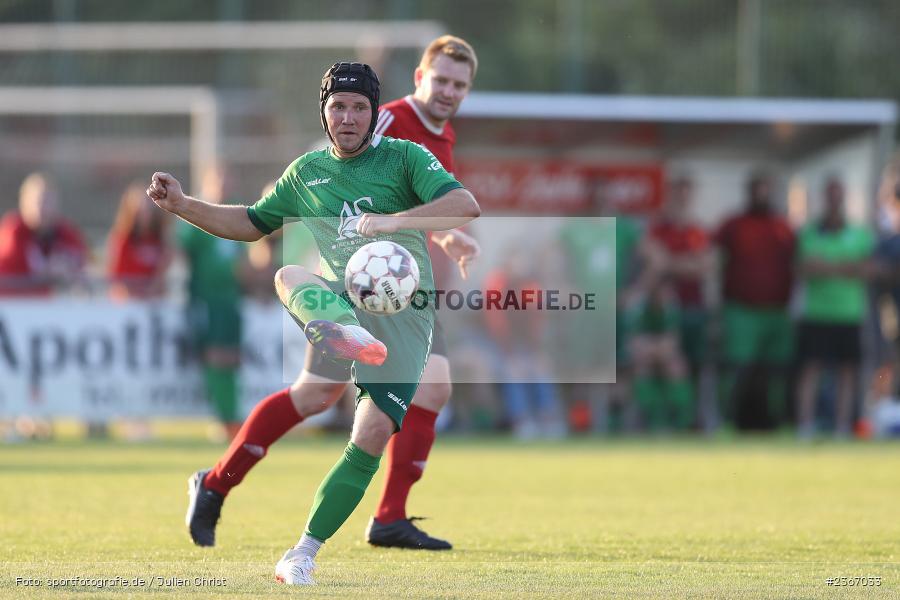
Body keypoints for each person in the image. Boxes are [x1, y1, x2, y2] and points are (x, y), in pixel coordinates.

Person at [147, 62, 480, 585]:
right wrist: (183, 204)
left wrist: (397, 222)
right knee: (289, 272)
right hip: (339, 308)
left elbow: (465, 203)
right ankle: (342, 333)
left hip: (403, 319)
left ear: (374, 114)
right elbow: (249, 223)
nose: (348, 117)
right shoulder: (306, 172)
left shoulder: (405, 156)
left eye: (359, 107)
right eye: (338, 106)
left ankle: (300, 553)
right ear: (324, 112)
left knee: (366, 430)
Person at [366, 34, 480, 549]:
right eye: (441, 80)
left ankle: (390, 516)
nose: (449, 91)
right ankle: (215, 482)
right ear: (419, 77)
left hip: (401, 281)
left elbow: (420, 206)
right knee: (314, 396)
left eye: (460, 84)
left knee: (433, 387)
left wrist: (446, 234)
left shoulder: (445, 137)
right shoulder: (389, 120)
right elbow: (350, 181)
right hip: (364, 274)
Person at [795, 177, 874, 437]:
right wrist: (844, 266)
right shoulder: (810, 232)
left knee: (847, 372)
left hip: (848, 314)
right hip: (817, 314)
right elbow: (806, 268)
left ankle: (842, 427)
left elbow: (865, 268)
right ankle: (805, 426)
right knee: (810, 370)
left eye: (838, 195)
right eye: (830, 195)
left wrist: (828, 266)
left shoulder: (858, 233)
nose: (834, 200)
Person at [715, 172, 795, 430]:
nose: (761, 195)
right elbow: (713, 257)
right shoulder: (733, 225)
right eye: (756, 190)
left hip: (777, 311)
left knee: (778, 371)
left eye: (766, 190)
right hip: (741, 310)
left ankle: (780, 422)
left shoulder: (783, 226)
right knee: (737, 368)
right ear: (749, 192)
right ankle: (726, 422)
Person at [176, 165, 246, 440]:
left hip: (232, 300)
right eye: (219, 179)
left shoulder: (234, 218)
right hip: (207, 300)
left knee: (232, 359)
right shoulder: (197, 219)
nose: (224, 185)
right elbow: (179, 250)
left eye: (228, 179)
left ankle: (231, 416)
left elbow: (243, 262)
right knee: (216, 357)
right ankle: (226, 419)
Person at [0, 172, 87, 296]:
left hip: (49, 307)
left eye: (48, 202)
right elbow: (17, 273)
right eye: (37, 202)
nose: (42, 209)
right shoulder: (12, 232)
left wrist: (68, 268)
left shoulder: (65, 232)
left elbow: (80, 263)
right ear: (23, 203)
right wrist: (47, 272)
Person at [107, 181, 172, 300]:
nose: (145, 215)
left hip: (154, 301)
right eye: (141, 210)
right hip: (130, 301)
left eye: (148, 209)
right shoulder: (123, 240)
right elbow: (117, 279)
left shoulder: (159, 241)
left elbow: (163, 274)